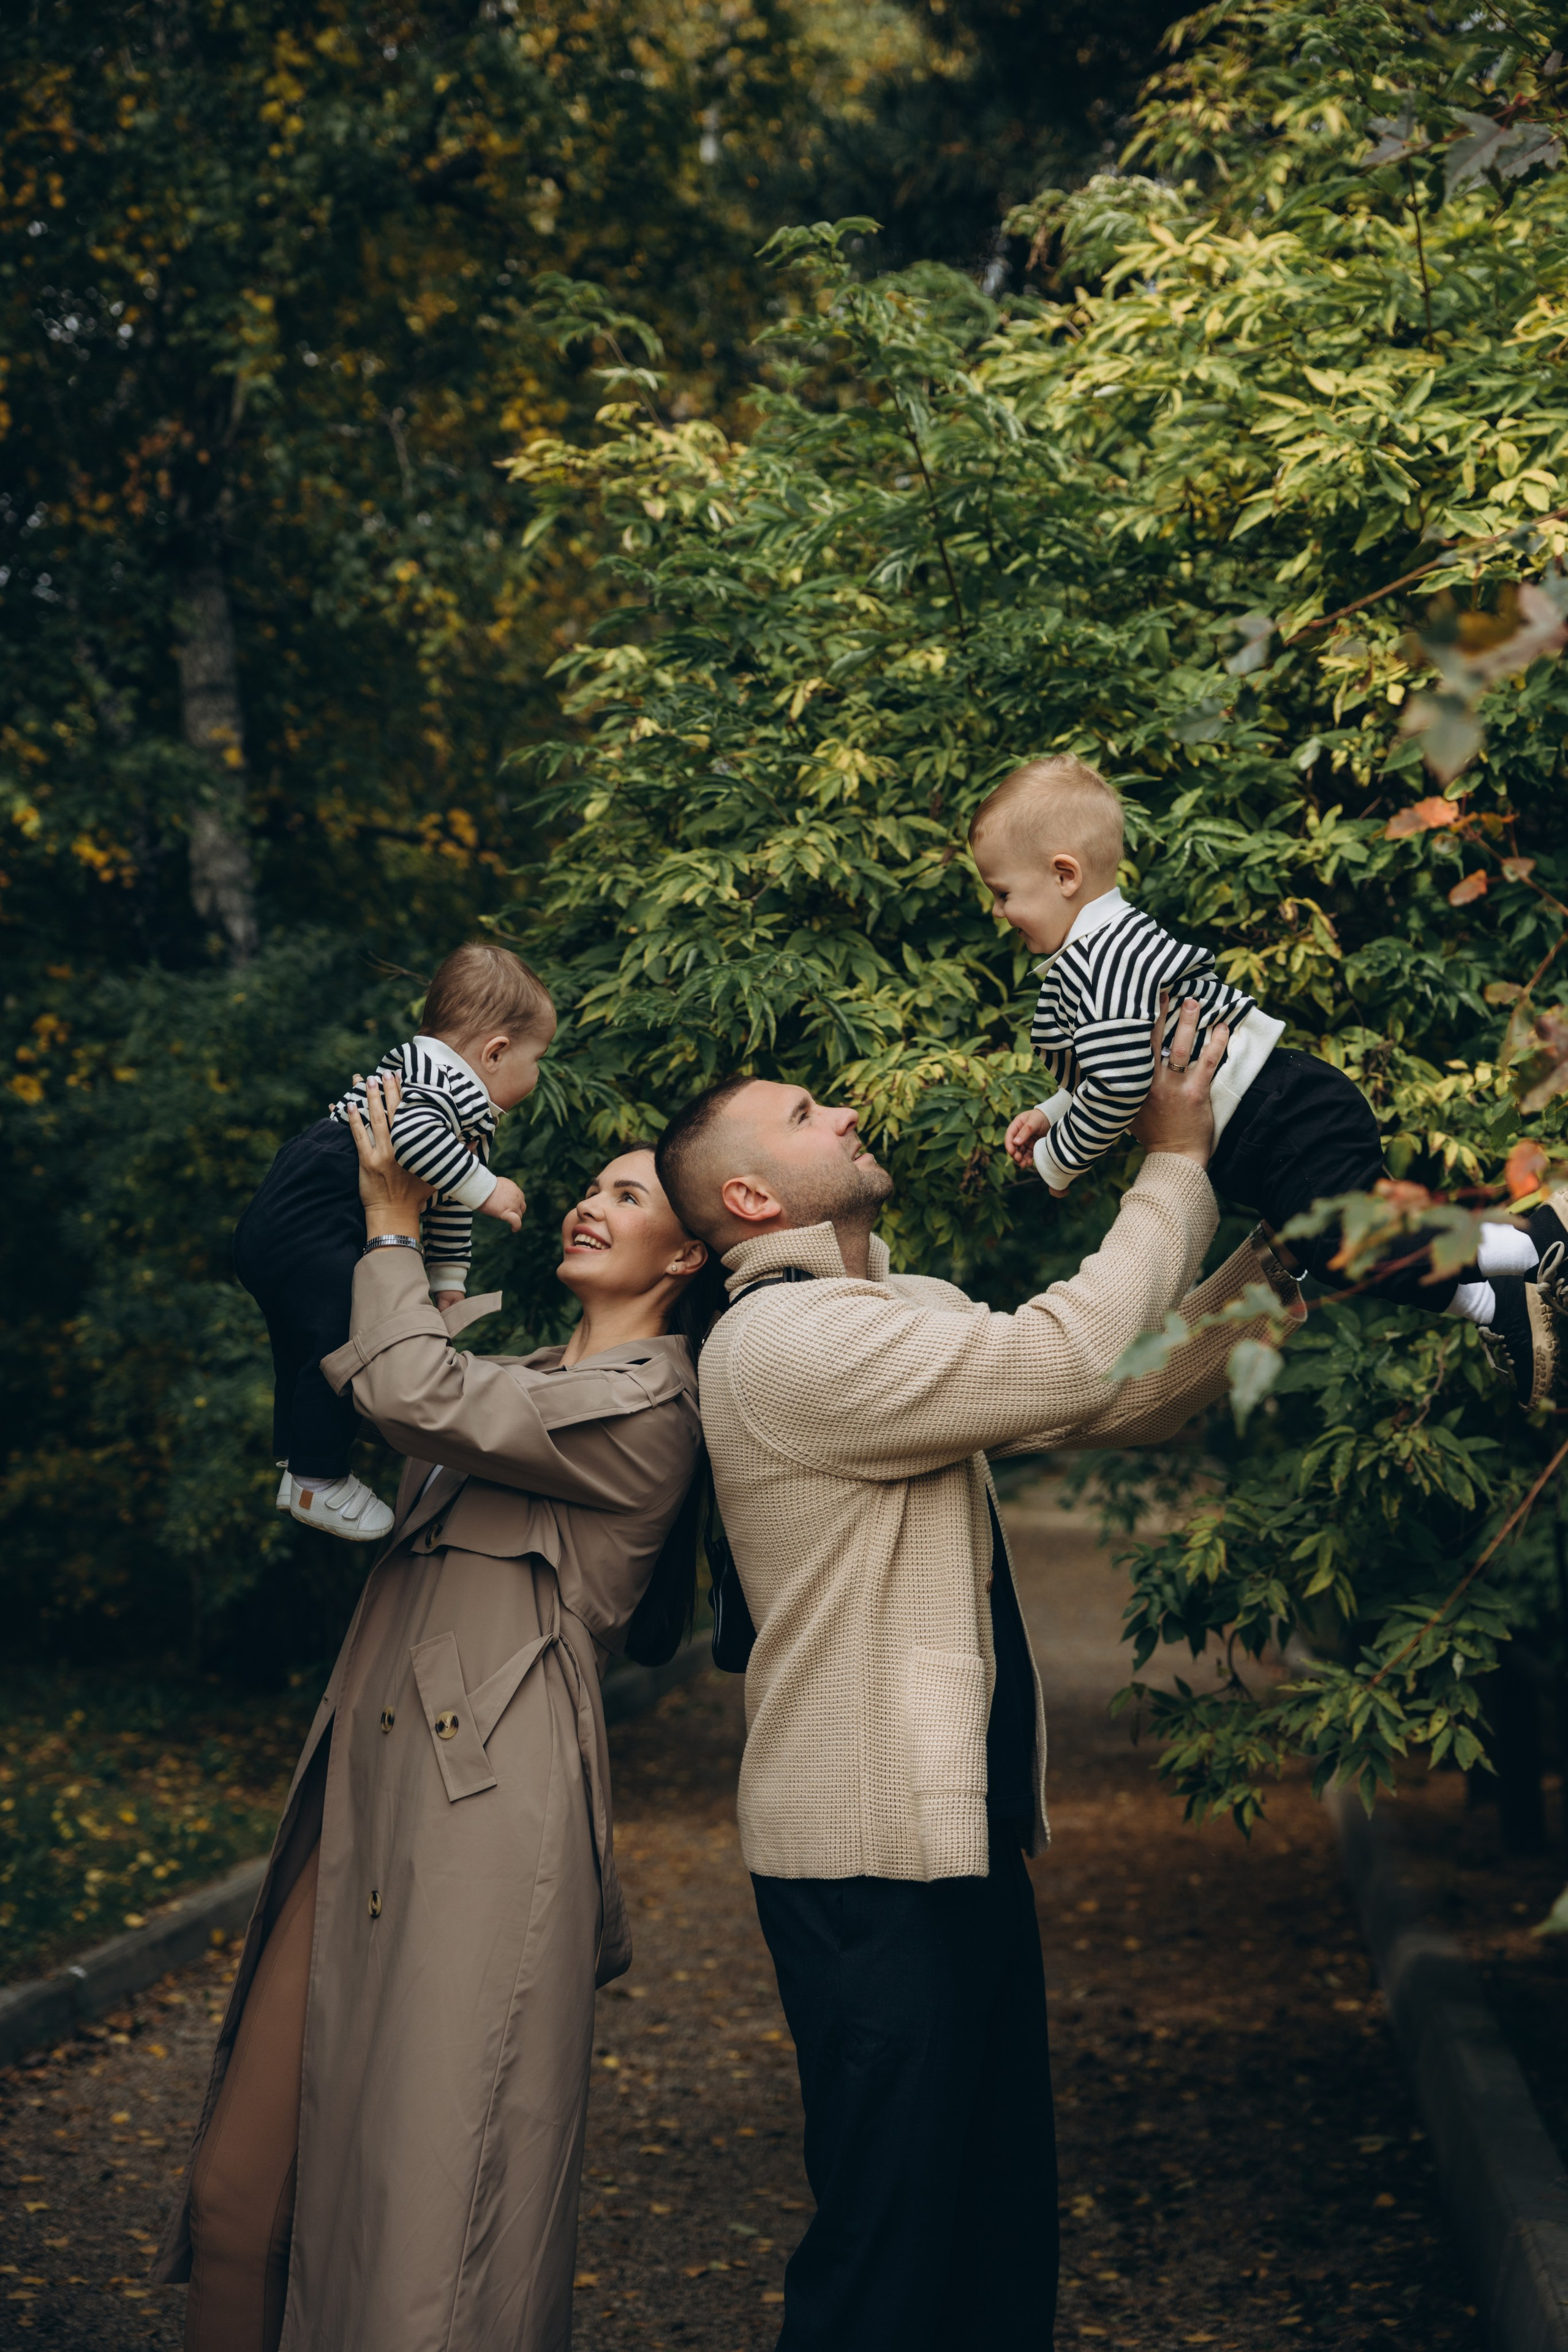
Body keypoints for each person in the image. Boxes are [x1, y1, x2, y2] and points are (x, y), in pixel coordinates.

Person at [652, 998, 1302, 2351]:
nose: (840, 1110)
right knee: (889, 2248)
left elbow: (1109, 1388)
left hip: (945, 1841)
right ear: (752, 1194)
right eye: (801, 1113)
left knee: (991, 2225)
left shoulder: (889, 1307)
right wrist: (1172, 1159)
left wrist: (1286, 1255)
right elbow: (1064, 1351)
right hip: (863, 1856)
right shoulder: (784, 1342)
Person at [155, 1076, 717, 2352]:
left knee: (428, 2240)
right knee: (238, 2198)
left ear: (684, 1252)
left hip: (485, 1819)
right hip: (361, 1786)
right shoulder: (511, 1369)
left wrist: (395, 1225)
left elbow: (412, 1392)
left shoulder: (646, 1405)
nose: (586, 1203)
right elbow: (377, 1370)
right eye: (588, 1185)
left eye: (624, 1195)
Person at [970, 753, 1562, 1404]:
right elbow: (1121, 1061)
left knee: (1350, 1245)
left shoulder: (1099, 960)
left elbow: (1116, 1082)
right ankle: (1502, 1300)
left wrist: (1059, 1160)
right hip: (1275, 1122)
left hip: (1282, 1118)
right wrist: (1054, 1111)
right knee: (1353, 1251)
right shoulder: (1104, 948)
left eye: (1003, 893)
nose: (999, 914)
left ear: (1063, 875)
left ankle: (1532, 1245)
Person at [232, 941, 554, 1542]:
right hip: (314, 1207)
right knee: (337, 1345)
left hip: (302, 1218)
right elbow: (409, 1139)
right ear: (496, 1051)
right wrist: (488, 1189)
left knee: (313, 1348)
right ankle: (317, 1478)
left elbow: (443, 1200)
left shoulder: (460, 1109)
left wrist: (447, 1283)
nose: (538, 1076)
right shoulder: (433, 1074)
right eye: (539, 1060)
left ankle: (301, 1464)